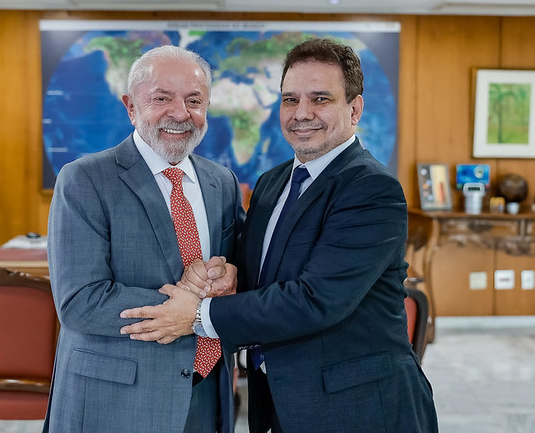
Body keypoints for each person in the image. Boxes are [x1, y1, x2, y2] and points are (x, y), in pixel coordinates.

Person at [120, 38, 439, 432]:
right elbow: (255, 276)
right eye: (290, 99)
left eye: (320, 99)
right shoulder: (272, 184)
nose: (301, 114)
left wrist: (197, 315)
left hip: (359, 409)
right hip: (279, 403)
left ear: (354, 109)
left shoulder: (371, 189)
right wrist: (221, 274)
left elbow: (315, 300)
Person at [43, 45, 245, 432]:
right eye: (161, 98)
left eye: (194, 100)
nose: (180, 113)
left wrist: (230, 275)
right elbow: (80, 301)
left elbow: (240, 269)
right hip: (115, 402)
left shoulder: (222, 182)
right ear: (131, 107)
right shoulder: (84, 179)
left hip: (206, 395)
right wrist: (191, 313)